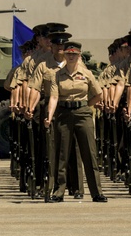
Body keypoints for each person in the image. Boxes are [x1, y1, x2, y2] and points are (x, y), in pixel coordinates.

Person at [43, 40, 107, 202]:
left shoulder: (87, 74)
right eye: (68, 54)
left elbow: (98, 94)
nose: (71, 57)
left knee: (89, 154)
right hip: (64, 114)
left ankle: (96, 192)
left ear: (79, 55)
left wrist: (85, 105)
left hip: (83, 114)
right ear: (64, 55)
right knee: (62, 154)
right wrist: (49, 117)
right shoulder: (57, 75)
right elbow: (54, 97)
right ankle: (59, 192)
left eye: (74, 54)